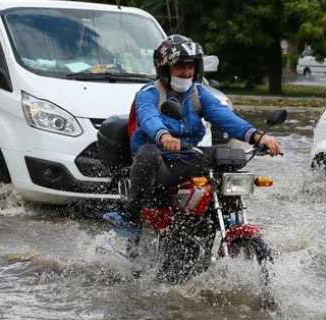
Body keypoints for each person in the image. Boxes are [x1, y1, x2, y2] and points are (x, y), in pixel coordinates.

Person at [118, 34, 282, 232]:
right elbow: (148, 116)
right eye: (180, 66)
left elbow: (224, 116)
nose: (186, 72)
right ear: (165, 68)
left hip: (187, 155)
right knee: (147, 155)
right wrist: (163, 135)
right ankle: (133, 218)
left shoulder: (198, 93)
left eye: (190, 66)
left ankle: (216, 218)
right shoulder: (149, 93)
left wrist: (258, 136)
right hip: (160, 161)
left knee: (227, 156)